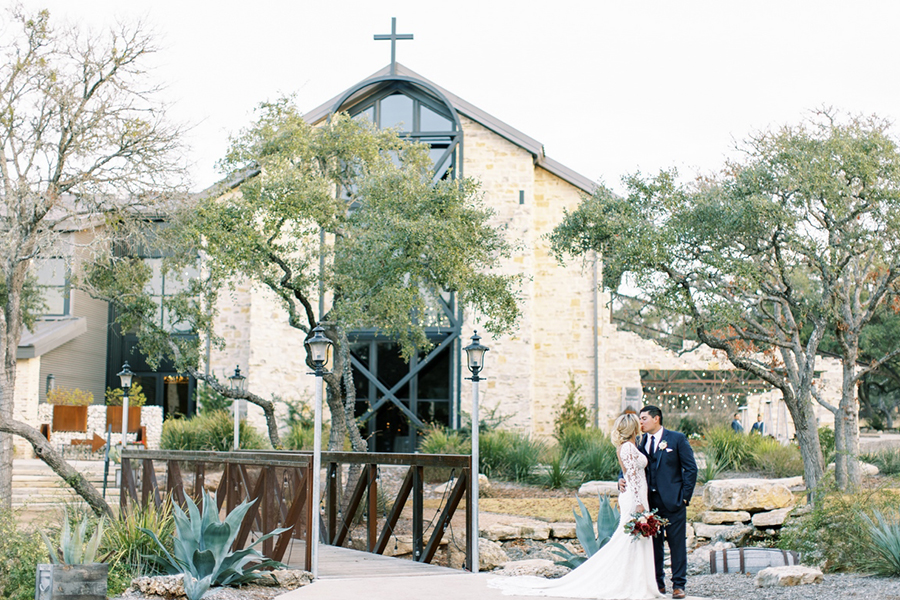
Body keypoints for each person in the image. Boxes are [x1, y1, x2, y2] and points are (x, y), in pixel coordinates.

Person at [488, 413, 662, 599]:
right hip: (634, 500)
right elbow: (632, 477)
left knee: (634, 540)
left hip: (638, 497)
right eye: (638, 422)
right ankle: (625, 582)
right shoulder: (627, 447)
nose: (641, 425)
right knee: (628, 539)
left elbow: (630, 474)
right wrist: (638, 504)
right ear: (633, 427)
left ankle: (636, 581)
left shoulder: (630, 446)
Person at [621, 405, 697, 599]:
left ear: (657, 419)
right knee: (653, 546)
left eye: (644, 418)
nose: (641, 422)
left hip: (673, 502)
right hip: (649, 503)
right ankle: (658, 584)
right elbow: (630, 465)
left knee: (677, 544)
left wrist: (685, 497)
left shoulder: (676, 439)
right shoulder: (639, 441)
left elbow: (691, 469)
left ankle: (679, 585)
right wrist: (620, 479)